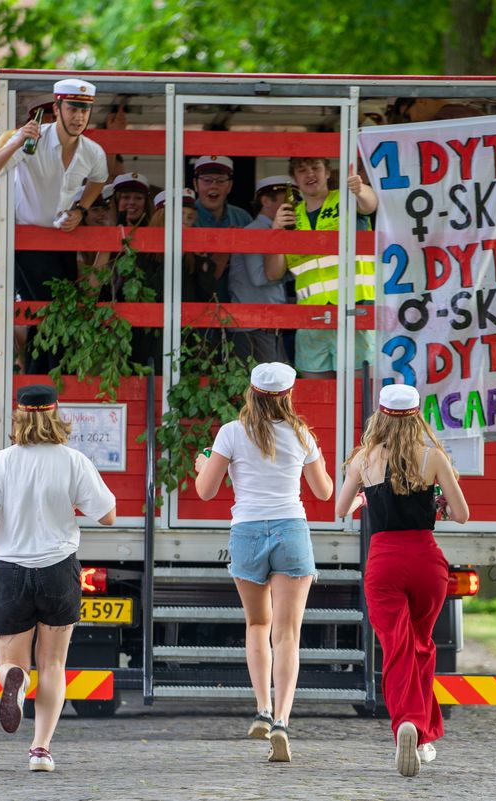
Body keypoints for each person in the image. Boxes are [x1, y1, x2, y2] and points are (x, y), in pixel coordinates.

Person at [0, 385, 118, 773]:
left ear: (19, 418)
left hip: (12, 572)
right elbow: (108, 514)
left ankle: (13, 678)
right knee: (52, 665)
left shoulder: (1, 462)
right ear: (56, 417)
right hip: (58, 569)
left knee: (10, 661)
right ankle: (41, 751)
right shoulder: (72, 461)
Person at [193, 362, 334, 764]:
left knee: (258, 624)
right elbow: (323, 492)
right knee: (288, 633)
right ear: (288, 395)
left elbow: (205, 491)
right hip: (291, 530)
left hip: (247, 532)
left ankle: (262, 709)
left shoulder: (231, 434)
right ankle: (283, 722)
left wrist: (205, 465)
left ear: (250, 393)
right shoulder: (302, 435)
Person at [335, 384, 469, 777]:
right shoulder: (433, 456)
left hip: (385, 562)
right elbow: (461, 513)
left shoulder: (364, 458)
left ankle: (406, 725)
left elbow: (341, 507)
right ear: (416, 417)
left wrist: (365, 498)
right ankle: (423, 737)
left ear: (379, 416)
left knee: (396, 649)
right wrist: (439, 504)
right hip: (427, 561)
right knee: (422, 645)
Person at [0, 78, 109, 372]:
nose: (78, 117)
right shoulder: (31, 141)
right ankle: (52, 383)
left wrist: (81, 208)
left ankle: (42, 390)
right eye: (73, 108)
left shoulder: (92, 151)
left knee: (48, 318)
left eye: (84, 111)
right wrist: (15, 140)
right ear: (57, 107)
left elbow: (99, 178)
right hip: (28, 244)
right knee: (55, 314)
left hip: (62, 244)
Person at [264, 157, 378, 379]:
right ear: (294, 178)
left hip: (355, 311)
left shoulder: (346, 198)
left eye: (315, 168)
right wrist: (275, 231)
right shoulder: (290, 216)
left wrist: (360, 188)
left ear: (327, 172)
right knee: (317, 399)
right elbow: (273, 273)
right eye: (301, 169)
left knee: (360, 396)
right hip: (311, 317)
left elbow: (370, 204)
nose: (309, 174)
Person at [228, 175, 293, 363]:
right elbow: (260, 278)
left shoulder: (269, 231)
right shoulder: (254, 232)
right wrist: (286, 274)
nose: (292, 205)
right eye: (286, 200)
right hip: (253, 329)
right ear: (265, 201)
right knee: (269, 387)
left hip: (265, 326)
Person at [192, 155, 253, 303]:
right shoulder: (186, 218)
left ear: (230, 186)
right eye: (206, 180)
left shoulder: (243, 217)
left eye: (220, 181)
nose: (213, 186)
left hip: (237, 306)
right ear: (195, 184)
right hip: (195, 306)